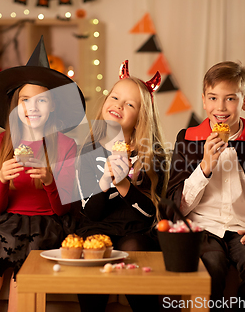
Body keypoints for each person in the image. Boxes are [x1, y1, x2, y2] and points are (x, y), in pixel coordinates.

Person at [0, 37, 86, 312]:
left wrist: (51, 182)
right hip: (7, 221)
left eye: (41, 101)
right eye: (25, 100)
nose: (32, 107)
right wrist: (2, 180)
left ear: (52, 106)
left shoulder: (65, 145)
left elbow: (63, 209)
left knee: (29, 257)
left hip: (47, 222)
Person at [166, 61, 245, 311]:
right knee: (210, 268)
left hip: (244, 229)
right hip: (202, 228)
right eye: (213, 98)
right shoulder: (188, 139)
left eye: (230, 99)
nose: (220, 108)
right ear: (204, 100)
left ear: (244, 102)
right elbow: (176, 204)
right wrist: (204, 166)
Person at [75, 60, 168, 312]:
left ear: (140, 118)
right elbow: (90, 212)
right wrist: (105, 183)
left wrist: (125, 183)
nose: (118, 105)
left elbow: (151, 213)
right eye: (115, 97)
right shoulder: (88, 150)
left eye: (130, 104)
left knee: (133, 248)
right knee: (93, 248)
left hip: (135, 230)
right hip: (96, 226)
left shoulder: (152, 154)